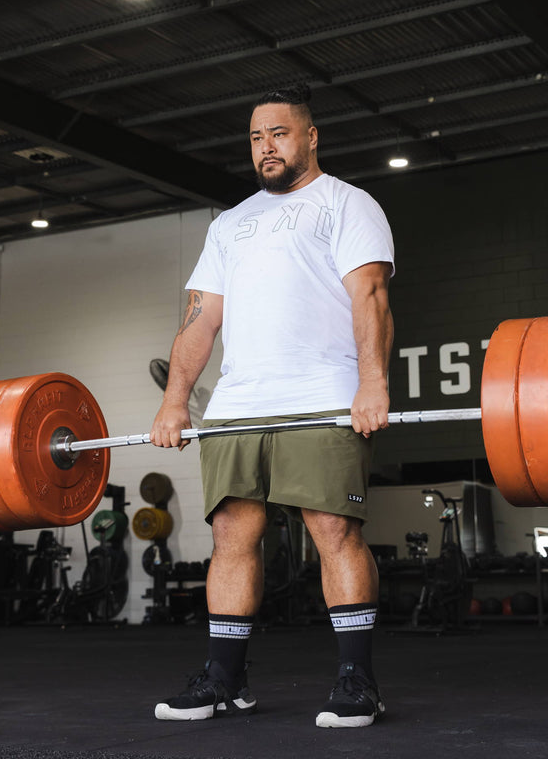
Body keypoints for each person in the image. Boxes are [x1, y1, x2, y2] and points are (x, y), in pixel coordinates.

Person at [148, 84, 395, 728]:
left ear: (311, 137)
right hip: (237, 403)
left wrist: (373, 383)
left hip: (321, 396)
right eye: (257, 137)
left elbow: (370, 298)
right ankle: (225, 679)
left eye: (279, 134)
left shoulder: (347, 203)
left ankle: (356, 680)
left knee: (333, 532)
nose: (266, 147)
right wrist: (177, 402)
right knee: (231, 535)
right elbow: (200, 321)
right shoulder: (228, 223)